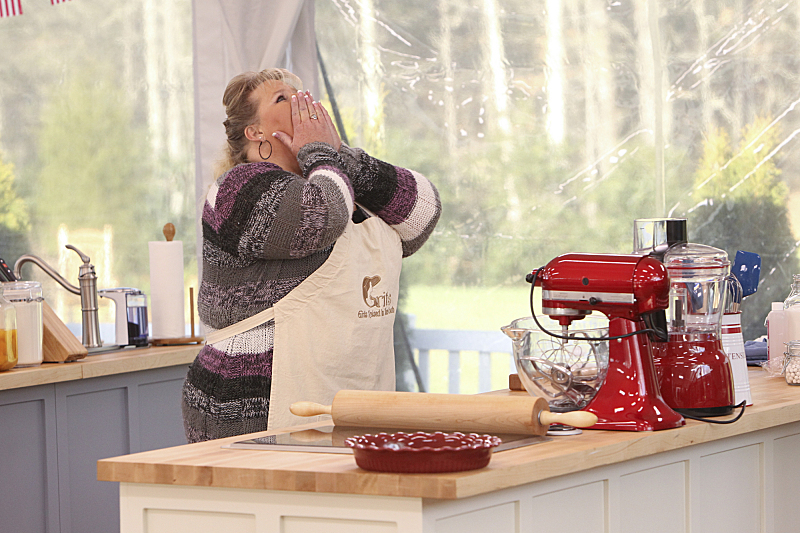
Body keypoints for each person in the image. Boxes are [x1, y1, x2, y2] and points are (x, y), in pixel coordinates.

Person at [181, 68, 441, 442]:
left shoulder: (332, 182)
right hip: (250, 408)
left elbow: (422, 213)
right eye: (283, 99)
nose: (305, 104)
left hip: (350, 404)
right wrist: (318, 152)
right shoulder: (238, 190)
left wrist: (337, 154)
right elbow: (319, 218)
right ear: (254, 132)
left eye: (303, 95)